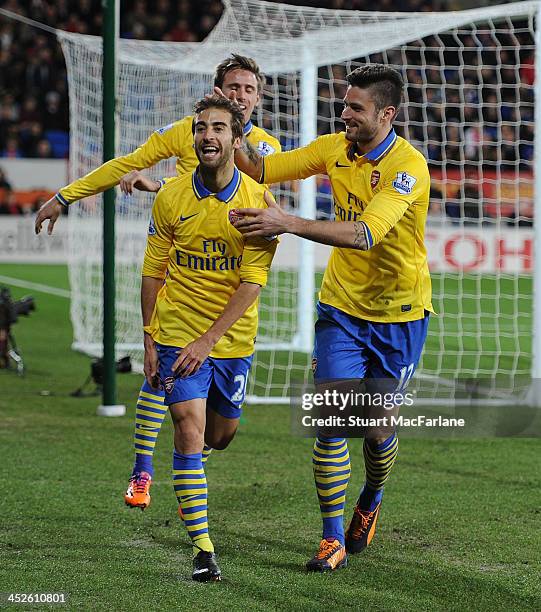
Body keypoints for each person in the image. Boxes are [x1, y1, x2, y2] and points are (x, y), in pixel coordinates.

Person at [34, 55, 281, 510]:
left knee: (215, 430)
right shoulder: (184, 131)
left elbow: (265, 197)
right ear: (217, 89)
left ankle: (185, 447)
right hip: (179, 268)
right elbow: (124, 163)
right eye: (233, 87)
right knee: (160, 364)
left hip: (228, 279)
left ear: (258, 98)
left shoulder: (264, 148)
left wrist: (158, 184)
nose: (240, 95)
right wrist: (64, 196)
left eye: (249, 89)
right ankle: (143, 469)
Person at [230, 64, 434, 572]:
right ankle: (329, 538)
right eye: (343, 104)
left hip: (399, 315)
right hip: (341, 309)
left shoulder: (408, 168)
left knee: (376, 432)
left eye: (355, 108)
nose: (344, 114)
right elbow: (259, 169)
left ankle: (371, 498)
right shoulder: (334, 147)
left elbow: (366, 233)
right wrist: (234, 123)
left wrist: (287, 223)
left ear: (387, 114)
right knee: (331, 423)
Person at [142, 95, 277, 581]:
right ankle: (203, 548)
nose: (208, 137)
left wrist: (211, 340)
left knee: (219, 437)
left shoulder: (258, 204)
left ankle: (188, 474)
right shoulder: (171, 196)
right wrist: (151, 338)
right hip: (180, 332)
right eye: (201, 129)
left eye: (219, 129)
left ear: (237, 140)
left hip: (233, 342)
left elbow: (251, 284)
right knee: (188, 427)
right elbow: (153, 271)